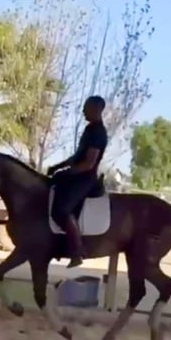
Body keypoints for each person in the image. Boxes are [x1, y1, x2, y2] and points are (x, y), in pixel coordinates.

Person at [47, 95, 108, 268]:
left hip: (85, 178)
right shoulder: (89, 129)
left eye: (86, 108)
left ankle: (77, 250)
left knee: (61, 210)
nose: (83, 111)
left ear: (96, 109)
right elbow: (77, 156)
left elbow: (88, 164)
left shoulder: (98, 133)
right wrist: (58, 167)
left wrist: (68, 172)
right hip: (77, 174)